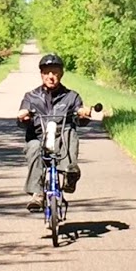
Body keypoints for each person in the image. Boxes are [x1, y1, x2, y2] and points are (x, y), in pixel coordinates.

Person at [17, 53, 93, 211]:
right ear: (41, 74)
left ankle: (70, 172)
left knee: (69, 131)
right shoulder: (31, 97)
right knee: (32, 147)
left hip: (61, 138)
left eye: (55, 72)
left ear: (62, 73)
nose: (51, 76)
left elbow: (80, 116)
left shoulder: (71, 96)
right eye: (47, 72)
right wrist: (23, 117)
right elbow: (22, 117)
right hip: (39, 136)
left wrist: (83, 114)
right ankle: (37, 194)